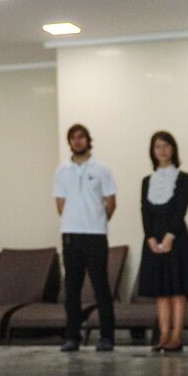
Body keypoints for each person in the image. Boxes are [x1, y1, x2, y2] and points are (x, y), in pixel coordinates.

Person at [53, 123, 117, 352]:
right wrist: (75, 220)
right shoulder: (62, 170)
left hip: (96, 235)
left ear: (88, 140)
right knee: (72, 288)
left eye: (81, 137)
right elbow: (60, 203)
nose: (77, 141)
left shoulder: (102, 168)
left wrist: (96, 220)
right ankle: (72, 337)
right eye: (73, 138)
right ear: (69, 142)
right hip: (71, 235)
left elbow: (111, 201)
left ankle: (107, 337)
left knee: (101, 287)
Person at [138, 131, 188, 352]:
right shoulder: (147, 181)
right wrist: (150, 238)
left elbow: (180, 210)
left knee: (177, 291)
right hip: (153, 239)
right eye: (157, 147)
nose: (162, 150)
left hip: (176, 238)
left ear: (173, 149)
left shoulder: (183, 178)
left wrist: (169, 236)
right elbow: (144, 211)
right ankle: (163, 335)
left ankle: (176, 336)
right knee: (160, 291)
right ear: (152, 152)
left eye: (166, 146)